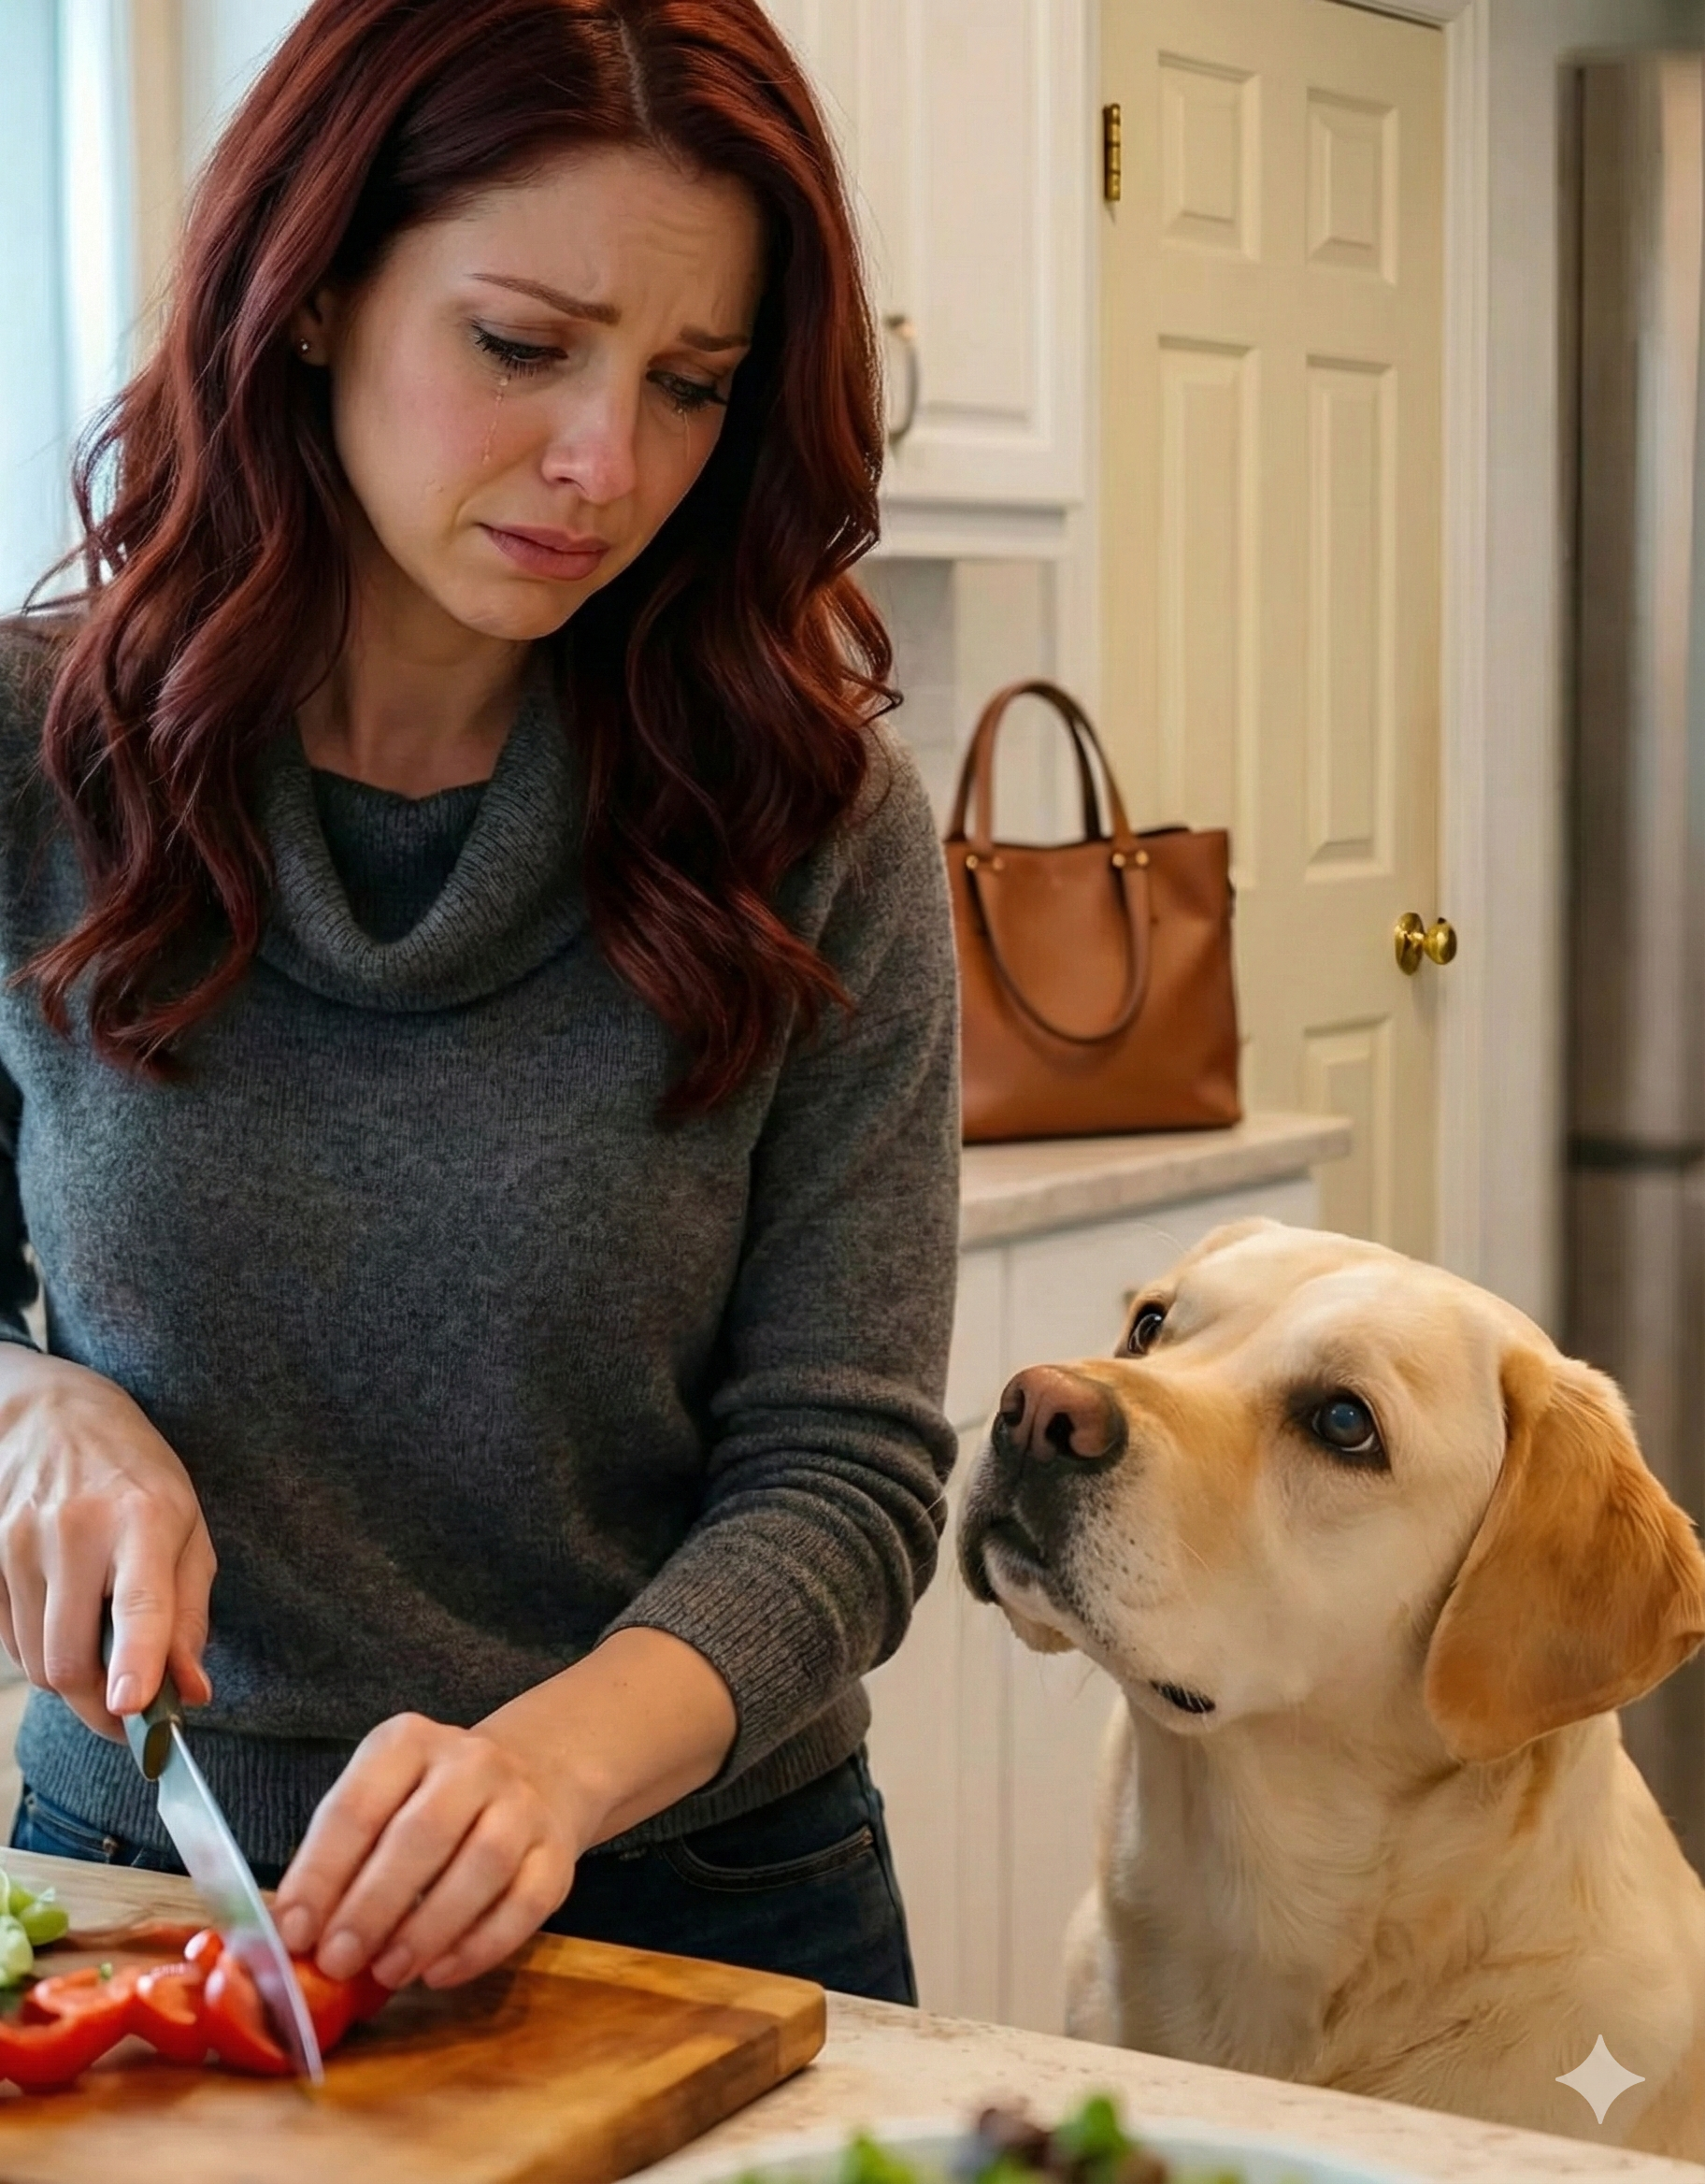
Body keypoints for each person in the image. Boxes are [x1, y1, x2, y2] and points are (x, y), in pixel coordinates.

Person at [0, 0, 959, 2006]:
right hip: (135, 1891)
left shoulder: (816, 822)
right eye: (522, 346)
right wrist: (26, 1403)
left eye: (692, 385)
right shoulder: (31, 759)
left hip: (706, 1911)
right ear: (320, 289)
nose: (606, 463)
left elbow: (844, 1481)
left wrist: (543, 1768)